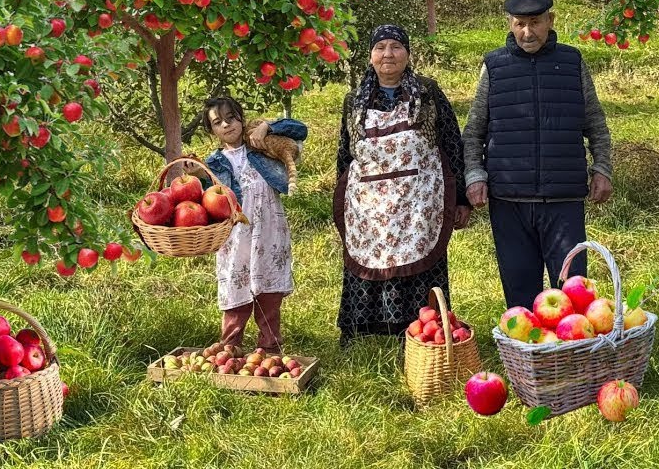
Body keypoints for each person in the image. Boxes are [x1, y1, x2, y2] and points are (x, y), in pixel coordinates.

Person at [462, 0, 613, 310]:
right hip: (509, 200)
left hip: (564, 201)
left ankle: (572, 357)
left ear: (551, 20)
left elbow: (596, 124)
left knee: (573, 292)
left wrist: (602, 169)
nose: (527, 32)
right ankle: (524, 357)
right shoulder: (494, 67)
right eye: (519, 23)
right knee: (519, 291)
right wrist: (475, 175)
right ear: (510, 24)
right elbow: (473, 131)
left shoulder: (572, 63)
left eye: (535, 22)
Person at [334, 25, 472, 345]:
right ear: (370, 56)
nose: (388, 54)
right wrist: (343, 201)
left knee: (421, 262)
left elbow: (452, 141)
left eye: (395, 46)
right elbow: (346, 153)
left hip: (419, 201)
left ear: (407, 54)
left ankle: (423, 330)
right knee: (369, 258)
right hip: (369, 203)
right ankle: (363, 328)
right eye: (380, 47)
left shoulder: (427, 92)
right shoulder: (354, 100)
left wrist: (461, 197)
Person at [194, 96, 307, 352]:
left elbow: (299, 130)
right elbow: (209, 201)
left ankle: (269, 348)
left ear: (241, 118)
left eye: (231, 118)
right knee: (236, 283)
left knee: (268, 289)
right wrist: (200, 176)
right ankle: (230, 346)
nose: (226, 125)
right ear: (212, 130)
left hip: (269, 229)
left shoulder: (260, 146)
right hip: (236, 236)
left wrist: (267, 126)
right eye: (217, 122)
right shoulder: (212, 164)